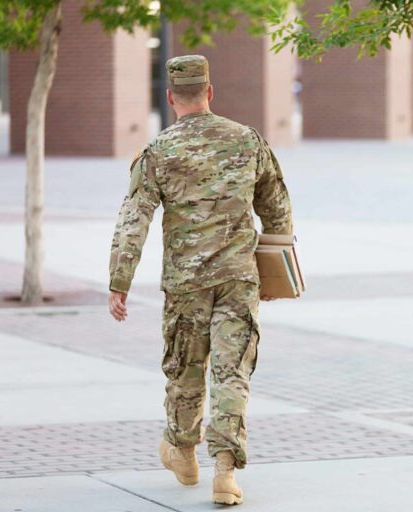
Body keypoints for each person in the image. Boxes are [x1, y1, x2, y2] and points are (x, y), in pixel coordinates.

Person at [107, 54, 293, 506]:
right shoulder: (248, 141)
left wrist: (119, 281)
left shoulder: (158, 152)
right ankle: (225, 473)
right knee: (232, 372)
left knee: (185, 370)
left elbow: (134, 220)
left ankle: (183, 450)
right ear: (210, 92)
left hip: (186, 283)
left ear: (171, 98)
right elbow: (277, 208)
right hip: (238, 278)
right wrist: (275, 274)